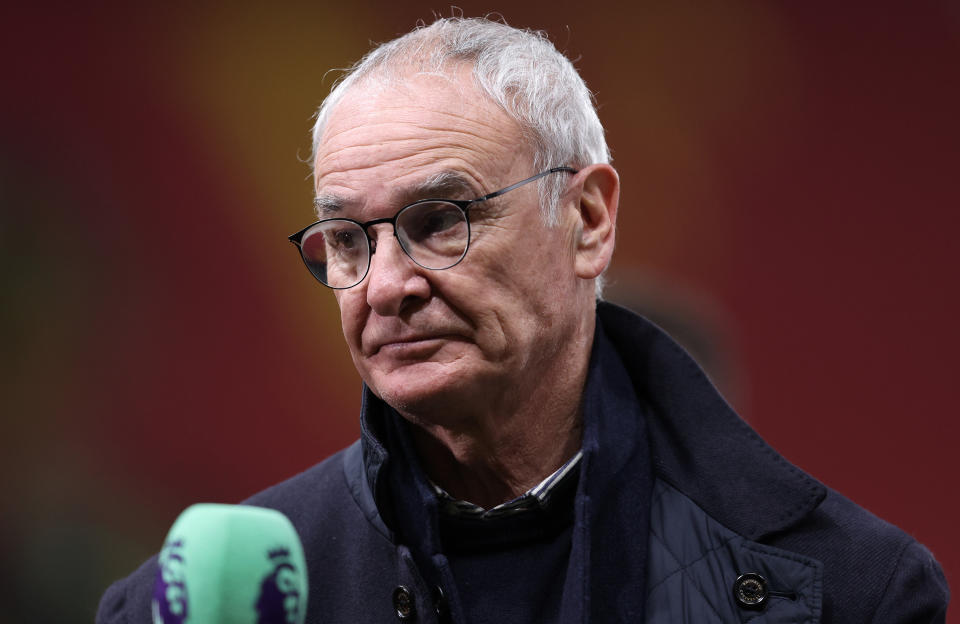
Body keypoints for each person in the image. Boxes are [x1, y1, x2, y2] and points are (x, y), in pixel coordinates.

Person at [98, 17, 949, 623]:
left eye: (439, 221)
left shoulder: (855, 591)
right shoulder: (187, 606)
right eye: (348, 240)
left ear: (587, 220)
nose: (386, 286)